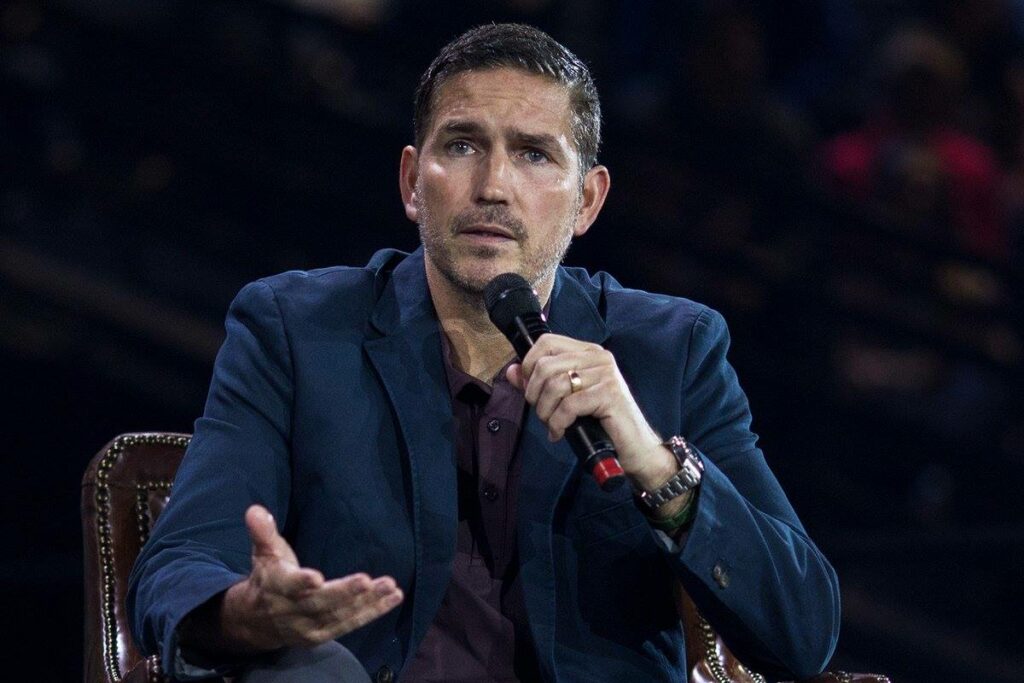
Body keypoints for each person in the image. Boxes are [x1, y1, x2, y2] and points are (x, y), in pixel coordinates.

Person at [128, 23, 840, 682]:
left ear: (587, 202)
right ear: (412, 182)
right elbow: (180, 561)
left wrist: (658, 466)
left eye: (533, 154)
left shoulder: (672, 350)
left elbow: (803, 630)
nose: (493, 186)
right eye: (463, 146)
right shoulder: (295, 330)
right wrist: (246, 616)